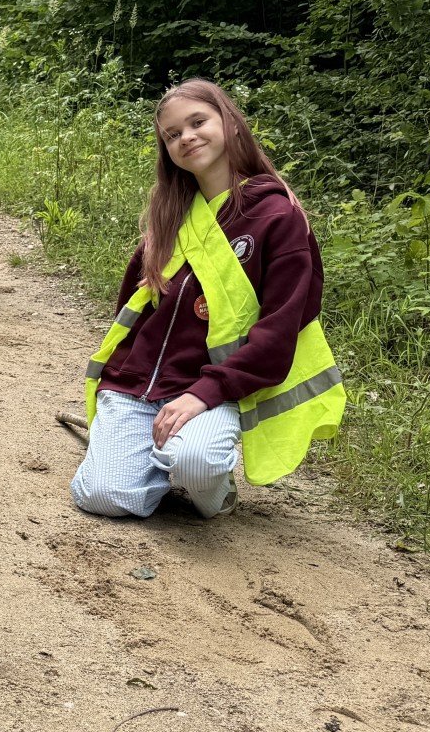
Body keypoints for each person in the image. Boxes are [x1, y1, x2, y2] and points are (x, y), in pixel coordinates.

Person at [70, 79, 345, 520]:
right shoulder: (169, 213)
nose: (186, 137)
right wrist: (121, 377)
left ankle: (204, 481)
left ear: (230, 123)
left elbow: (280, 331)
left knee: (196, 462)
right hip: (137, 387)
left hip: (213, 390)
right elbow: (134, 308)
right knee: (103, 497)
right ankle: (140, 458)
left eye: (198, 122)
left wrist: (205, 392)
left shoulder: (277, 216)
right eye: (172, 134)